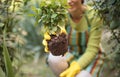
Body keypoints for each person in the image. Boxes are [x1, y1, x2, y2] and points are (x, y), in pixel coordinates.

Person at [43, 0, 104, 77]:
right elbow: (57, 34)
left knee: (83, 76)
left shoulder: (94, 16)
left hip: (91, 56)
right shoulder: (62, 15)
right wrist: (51, 37)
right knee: (54, 58)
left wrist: (77, 66)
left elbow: (92, 50)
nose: (69, 1)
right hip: (72, 52)